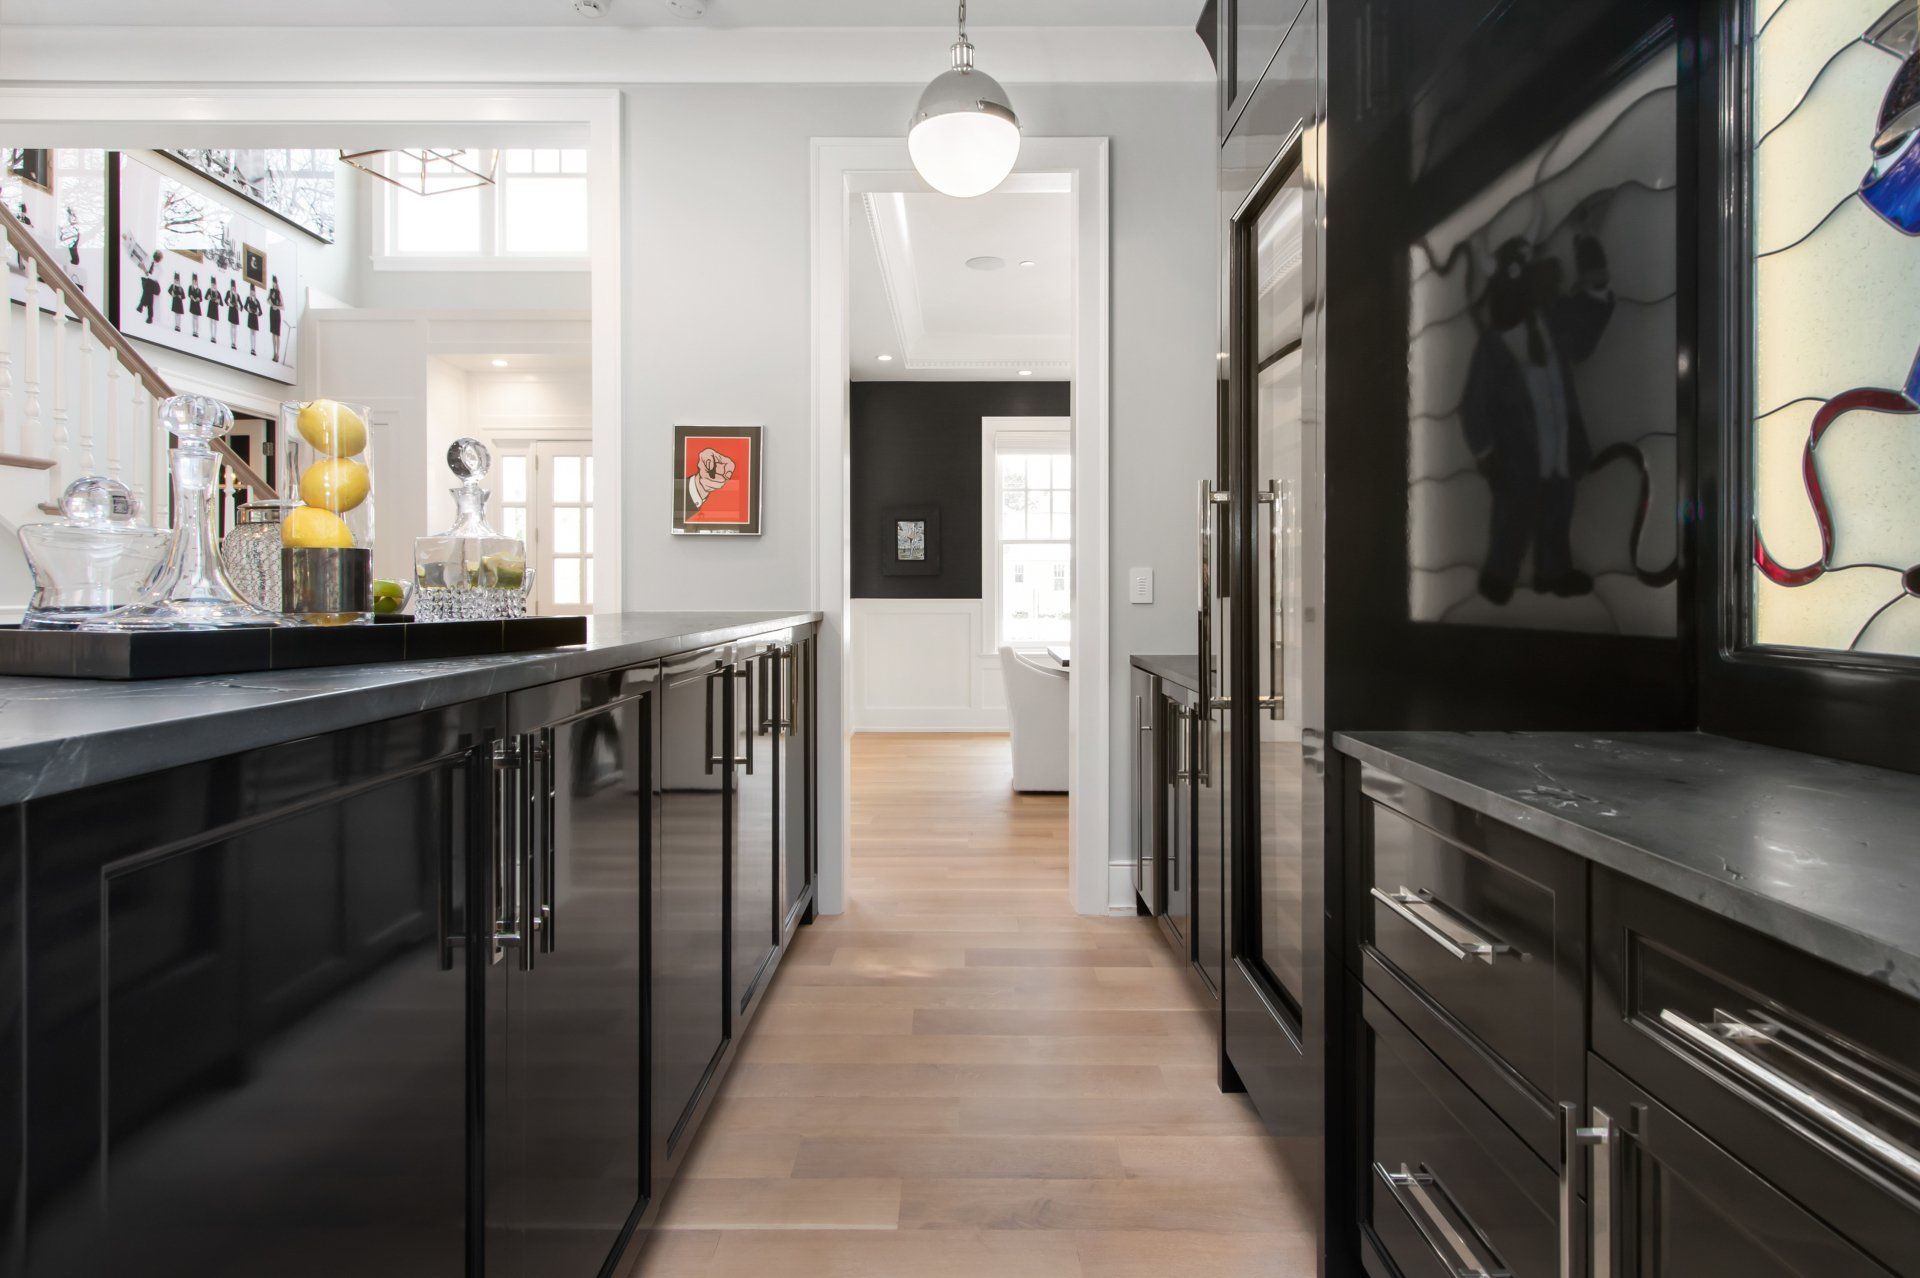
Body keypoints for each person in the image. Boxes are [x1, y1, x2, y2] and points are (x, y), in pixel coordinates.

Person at [1459, 232, 1614, 603]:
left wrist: (1593, 275)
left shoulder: (1552, 323)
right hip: (1519, 456)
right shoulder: (1493, 346)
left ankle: (1554, 571)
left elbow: (1582, 338)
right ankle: (1499, 576)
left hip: (1559, 446)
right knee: (1512, 520)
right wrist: (1486, 452)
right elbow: (1474, 402)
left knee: (1558, 511)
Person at [135, 248, 163, 325]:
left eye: (158, 256)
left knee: (148, 290)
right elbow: (141, 265)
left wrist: (146, 272)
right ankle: (149, 316)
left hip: (151, 283)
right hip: (145, 281)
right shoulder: (148, 261)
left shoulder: (159, 268)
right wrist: (144, 270)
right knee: (149, 295)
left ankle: (141, 305)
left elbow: (154, 277)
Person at [268, 275, 284, 363]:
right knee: (273, 334)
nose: (274, 284)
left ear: (277, 283)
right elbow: (268, 300)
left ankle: (278, 354)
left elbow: (283, 307)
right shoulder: (271, 291)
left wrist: (276, 306)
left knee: (277, 335)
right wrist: (271, 303)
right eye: (273, 283)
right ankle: (274, 353)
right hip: (271, 313)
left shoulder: (279, 292)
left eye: (275, 283)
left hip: (277, 314)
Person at [243, 282, 262, 356]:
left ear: (255, 292)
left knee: (254, 333)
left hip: (255, 317)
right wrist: (248, 310)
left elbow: (261, 312)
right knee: (251, 333)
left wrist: (257, 313)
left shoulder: (257, 301)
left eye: (253, 291)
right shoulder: (248, 298)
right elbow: (245, 306)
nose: (252, 292)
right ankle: (252, 348)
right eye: (251, 291)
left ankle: (254, 348)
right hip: (250, 316)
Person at [223, 280, 240, 350]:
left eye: (234, 287)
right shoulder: (229, 293)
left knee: (235, 327)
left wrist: (239, 307)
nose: (233, 288)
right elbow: (225, 300)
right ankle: (232, 342)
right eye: (232, 287)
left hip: (235, 311)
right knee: (232, 326)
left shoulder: (237, 295)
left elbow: (241, 304)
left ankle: (234, 342)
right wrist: (228, 304)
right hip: (231, 310)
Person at [204, 275, 220, 344]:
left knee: (215, 322)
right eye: (212, 284)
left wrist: (218, 301)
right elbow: (205, 297)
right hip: (211, 306)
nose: (213, 285)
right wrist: (208, 297)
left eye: (214, 284)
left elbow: (221, 302)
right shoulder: (209, 290)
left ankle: (215, 336)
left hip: (215, 307)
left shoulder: (217, 292)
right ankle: (211, 336)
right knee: (211, 321)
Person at [187, 273, 203, 338]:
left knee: (197, 318)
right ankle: (194, 331)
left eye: (196, 281)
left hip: (197, 304)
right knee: (194, 318)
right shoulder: (190, 287)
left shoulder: (199, 290)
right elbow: (189, 294)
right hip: (193, 303)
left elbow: (201, 298)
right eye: (193, 281)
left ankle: (196, 331)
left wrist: (198, 298)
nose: (195, 282)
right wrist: (191, 297)